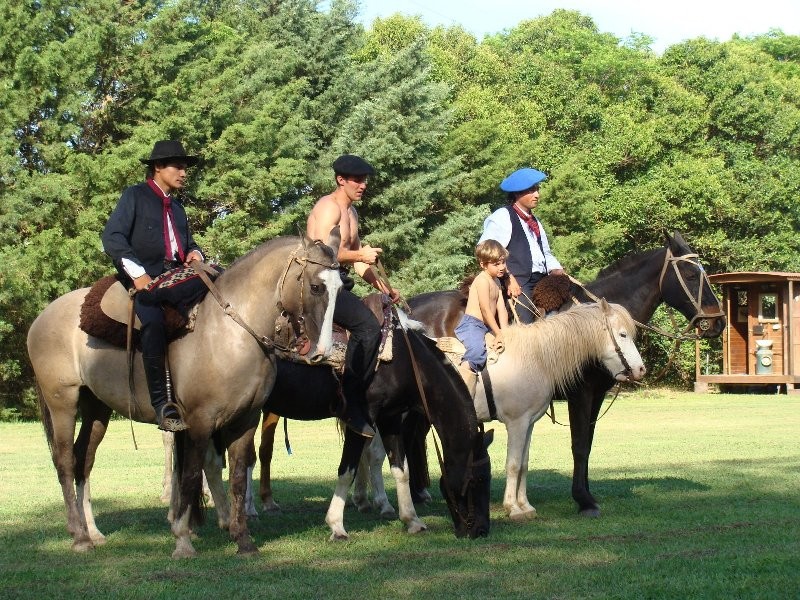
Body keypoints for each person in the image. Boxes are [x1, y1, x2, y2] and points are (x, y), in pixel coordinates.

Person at [102, 140, 205, 432]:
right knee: (153, 319)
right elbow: (113, 238)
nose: (184, 173)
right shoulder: (134, 196)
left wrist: (196, 253)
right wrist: (138, 274)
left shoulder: (179, 208)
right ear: (158, 167)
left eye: (185, 168)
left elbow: (187, 245)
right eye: (178, 166)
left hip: (176, 277)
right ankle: (162, 404)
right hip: (143, 277)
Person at [306, 154, 399, 438]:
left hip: (338, 283)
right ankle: (350, 402)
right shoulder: (328, 209)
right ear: (340, 180)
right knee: (368, 328)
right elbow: (323, 253)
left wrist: (383, 286)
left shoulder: (352, 213)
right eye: (357, 180)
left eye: (365, 180)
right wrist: (360, 254)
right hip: (318, 285)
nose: (362, 185)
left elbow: (358, 264)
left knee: (381, 322)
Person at [478, 167, 565, 324]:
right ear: (518, 193)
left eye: (537, 189)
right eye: (532, 191)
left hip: (541, 280)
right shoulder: (503, 216)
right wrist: (507, 277)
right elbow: (485, 249)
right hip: (517, 281)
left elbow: (545, 252)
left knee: (570, 303)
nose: (537, 195)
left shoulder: (535, 221)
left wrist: (556, 268)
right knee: (526, 322)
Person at [454, 239, 509, 397]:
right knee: (477, 352)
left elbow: (502, 309)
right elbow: (485, 310)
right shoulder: (482, 281)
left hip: (486, 326)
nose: (502, 267)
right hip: (472, 325)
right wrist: (498, 333)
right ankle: (462, 392)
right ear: (483, 264)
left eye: (503, 262)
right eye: (496, 264)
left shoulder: (497, 282)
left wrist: (504, 332)